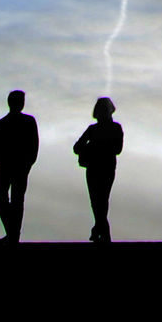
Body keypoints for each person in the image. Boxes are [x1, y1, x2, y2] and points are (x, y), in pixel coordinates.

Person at [0, 89, 40, 243]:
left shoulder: (28, 121)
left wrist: (27, 164)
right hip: (3, 167)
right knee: (2, 198)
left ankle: (13, 234)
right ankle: (12, 233)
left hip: (19, 167)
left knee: (16, 199)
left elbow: (33, 145)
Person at [73, 95, 124, 242]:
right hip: (98, 167)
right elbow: (77, 147)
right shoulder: (96, 129)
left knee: (99, 200)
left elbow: (117, 149)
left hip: (103, 167)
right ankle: (101, 231)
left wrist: (94, 147)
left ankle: (100, 231)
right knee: (98, 201)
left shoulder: (112, 128)